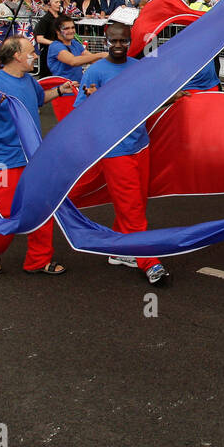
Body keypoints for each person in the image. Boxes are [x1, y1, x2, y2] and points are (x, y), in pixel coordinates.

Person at [75, 21, 185, 285]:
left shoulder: (138, 66)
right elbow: (79, 111)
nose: (118, 45)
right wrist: (92, 100)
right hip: (115, 151)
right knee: (133, 207)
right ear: (105, 40)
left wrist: (174, 98)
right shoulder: (95, 72)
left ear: (130, 41)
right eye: (113, 41)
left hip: (141, 145)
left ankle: (118, 249)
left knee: (136, 202)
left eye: (123, 41)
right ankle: (149, 261)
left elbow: (148, 100)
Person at [0, 37, 72, 276]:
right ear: (17, 56)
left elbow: (40, 99)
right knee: (5, 215)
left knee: (42, 209)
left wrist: (60, 91)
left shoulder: (29, 80)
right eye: (32, 52)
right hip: (4, 160)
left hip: (33, 157)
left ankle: (38, 260)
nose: (35, 56)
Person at [47, 16, 107, 120]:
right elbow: (73, 61)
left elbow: (91, 58)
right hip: (64, 94)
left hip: (78, 91)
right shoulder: (55, 46)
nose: (71, 31)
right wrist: (100, 54)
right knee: (68, 127)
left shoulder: (75, 44)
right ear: (57, 31)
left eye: (72, 27)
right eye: (66, 28)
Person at [32, 0, 62, 75]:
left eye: (59, 2)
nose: (59, 4)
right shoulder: (45, 20)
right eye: (56, 2)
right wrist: (54, 43)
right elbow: (39, 38)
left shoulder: (62, 17)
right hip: (48, 52)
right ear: (50, 4)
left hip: (61, 52)